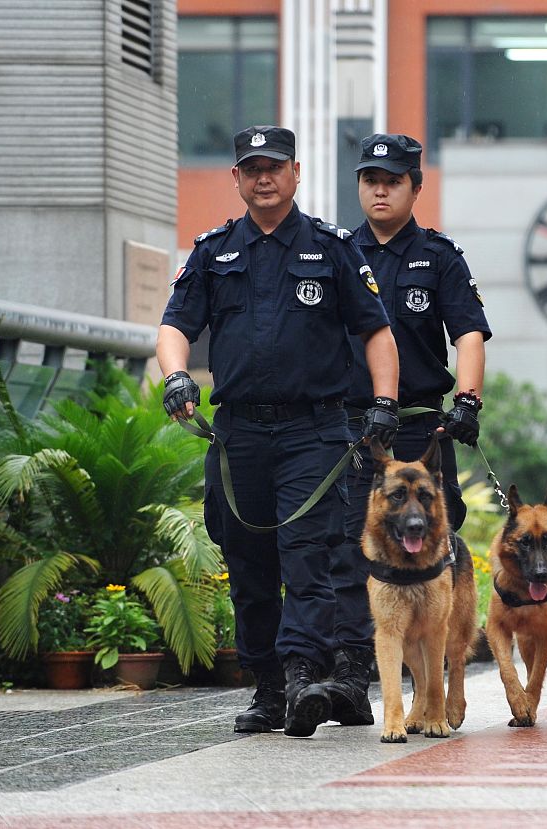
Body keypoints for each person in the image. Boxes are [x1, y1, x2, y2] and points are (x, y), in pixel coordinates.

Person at [156, 125, 400, 738]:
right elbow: (174, 325)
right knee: (249, 566)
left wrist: (384, 402)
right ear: (236, 179)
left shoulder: (332, 247)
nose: (264, 178)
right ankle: (267, 687)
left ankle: (302, 680)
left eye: (275, 167)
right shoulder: (214, 252)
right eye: (252, 168)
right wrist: (177, 378)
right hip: (238, 440)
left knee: (307, 558)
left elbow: (376, 331)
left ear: (296, 174)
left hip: (312, 434)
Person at [324, 133, 491, 726]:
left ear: (415, 187)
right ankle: (349, 676)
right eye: (370, 179)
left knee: (432, 548)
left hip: (421, 427)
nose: (380, 189)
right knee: (350, 544)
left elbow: (468, 331)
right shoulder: (336, 251)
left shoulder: (439, 256)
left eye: (393, 180)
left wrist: (467, 400)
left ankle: (434, 691)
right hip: (352, 425)